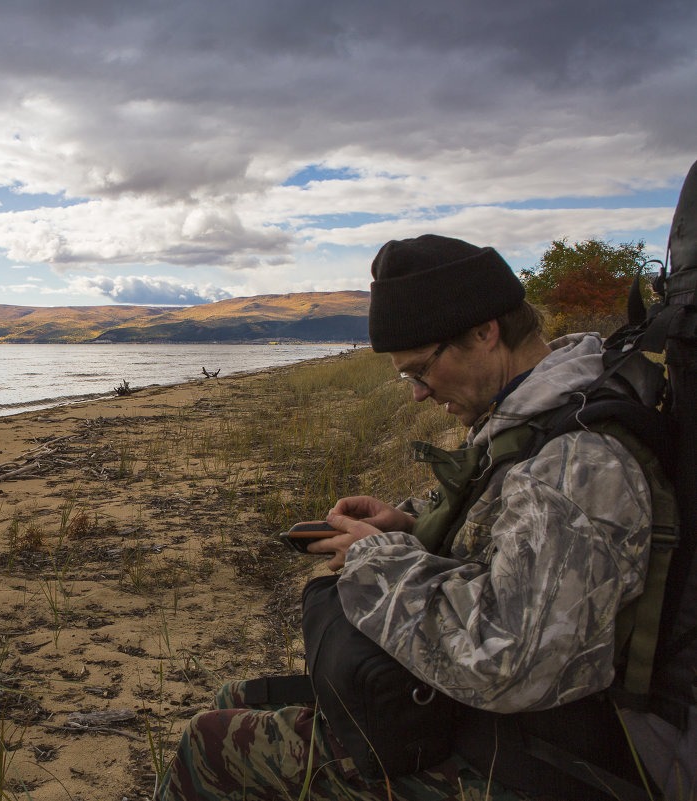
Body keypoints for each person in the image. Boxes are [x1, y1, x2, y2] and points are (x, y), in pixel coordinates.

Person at [156, 235, 661, 800]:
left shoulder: (577, 462)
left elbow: (508, 662)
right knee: (236, 699)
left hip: (547, 761)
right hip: (507, 728)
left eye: (420, 370)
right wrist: (412, 524)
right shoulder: (544, 417)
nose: (418, 394)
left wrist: (378, 558)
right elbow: (510, 545)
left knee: (207, 744)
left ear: (484, 331)